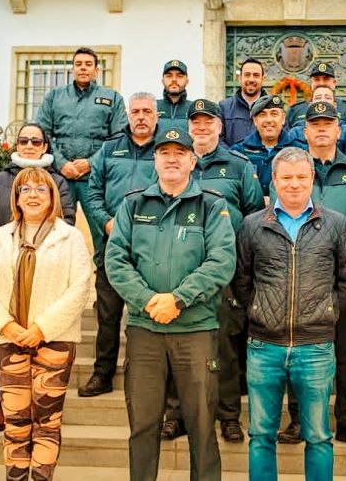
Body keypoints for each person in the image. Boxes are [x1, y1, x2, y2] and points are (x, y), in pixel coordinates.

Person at [105, 127, 236, 481]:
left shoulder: (211, 205)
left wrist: (177, 299)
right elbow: (116, 260)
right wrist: (148, 301)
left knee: (202, 426)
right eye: (165, 153)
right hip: (145, 331)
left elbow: (222, 262)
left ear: (193, 161)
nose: (172, 159)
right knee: (144, 425)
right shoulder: (133, 204)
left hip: (195, 331)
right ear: (155, 160)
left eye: (181, 152)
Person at [233, 146, 346, 481]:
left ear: (312, 178)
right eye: (286, 177)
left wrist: (327, 311)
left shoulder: (336, 225)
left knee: (318, 435)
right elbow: (242, 281)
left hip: (315, 346)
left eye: (301, 177)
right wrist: (260, 311)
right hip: (264, 347)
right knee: (261, 434)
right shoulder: (252, 226)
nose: (293, 184)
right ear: (273, 180)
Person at [0, 167, 92, 481]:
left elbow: (79, 288)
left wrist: (40, 329)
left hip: (55, 341)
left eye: (41, 189)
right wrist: (8, 327)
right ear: (16, 197)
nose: (33, 195)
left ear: (52, 196)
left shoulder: (70, 238)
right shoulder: (0, 238)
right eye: (26, 189)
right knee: (15, 423)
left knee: (47, 423)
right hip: (8, 340)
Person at [161, 98, 264, 443]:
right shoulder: (178, 164)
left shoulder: (238, 165)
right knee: (177, 344)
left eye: (209, 121)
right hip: (180, 270)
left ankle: (229, 416)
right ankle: (176, 414)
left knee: (225, 347)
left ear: (221, 127)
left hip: (226, 273)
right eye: (196, 122)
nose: (202, 127)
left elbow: (253, 217)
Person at [276, 101, 346, 448]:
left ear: (338, 130)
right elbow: (286, 211)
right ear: (304, 132)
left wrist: (332, 243)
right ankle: (298, 419)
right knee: (298, 349)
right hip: (300, 276)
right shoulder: (291, 171)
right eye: (314, 124)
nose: (321, 129)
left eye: (327, 124)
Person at [0, 121, 76, 431]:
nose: (30, 145)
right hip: (7, 266)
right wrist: (8, 247)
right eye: (24, 140)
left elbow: (67, 216)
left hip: (47, 267)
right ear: (16, 145)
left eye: (36, 140)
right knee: (5, 342)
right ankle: (0, 406)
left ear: (45, 146)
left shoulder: (58, 181)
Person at [79, 92, 159, 398]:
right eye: (135, 111)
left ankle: (142, 375)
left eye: (147, 111)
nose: (141, 116)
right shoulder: (109, 150)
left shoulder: (165, 150)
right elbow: (92, 192)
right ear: (128, 114)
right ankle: (102, 374)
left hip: (150, 247)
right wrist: (105, 222)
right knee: (108, 315)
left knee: (145, 316)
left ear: (156, 116)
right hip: (112, 246)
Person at [36, 46, 128, 244]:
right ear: (72, 69)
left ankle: (102, 272)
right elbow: (42, 133)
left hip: (95, 177)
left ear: (97, 70)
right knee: (56, 229)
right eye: (78, 64)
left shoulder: (112, 98)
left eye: (88, 64)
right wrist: (61, 164)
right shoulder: (55, 97)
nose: (83, 68)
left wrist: (91, 163)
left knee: (101, 230)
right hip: (60, 177)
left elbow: (119, 137)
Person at [231, 94, 306, 201]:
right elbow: (233, 190)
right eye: (262, 115)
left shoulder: (299, 150)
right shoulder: (238, 152)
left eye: (274, 114)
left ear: (283, 118)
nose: (269, 120)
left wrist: (273, 201)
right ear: (255, 121)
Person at [287, 86, 346, 154]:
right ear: (310, 105)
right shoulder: (295, 133)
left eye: (327, 98)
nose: (322, 100)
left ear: (335, 105)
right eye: (318, 98)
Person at [285, 61, 346, 127]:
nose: (321, 83)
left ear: (334, 83)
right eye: (317, 79)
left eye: (326, 79)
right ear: (311, 83)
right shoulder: (295, 110)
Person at [220, 58, 267, 147]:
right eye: (247, 75)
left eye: (256, 75)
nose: (251, 79)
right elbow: (218, 139)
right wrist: (233, 157)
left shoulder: (273, 108)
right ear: (240, 78)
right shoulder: (224, 107)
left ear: (263, 79)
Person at [157, 59, 191, 129]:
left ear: (187, 81)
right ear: (163, 81)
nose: (174, 79)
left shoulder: (193, 108)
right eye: (169, 76)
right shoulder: (152, 107)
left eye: (180, 76)